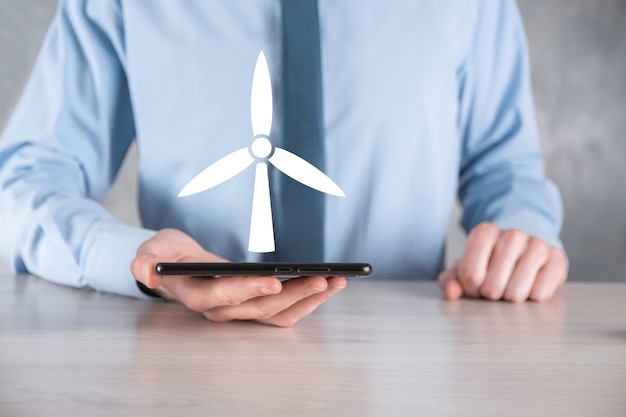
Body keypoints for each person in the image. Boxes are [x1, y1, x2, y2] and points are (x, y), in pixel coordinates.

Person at [0, 0, 567, 327]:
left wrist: (519, 241)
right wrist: (141, 265)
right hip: (186, 357)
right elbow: (26, 182)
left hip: (412, 361)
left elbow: (504, 168)